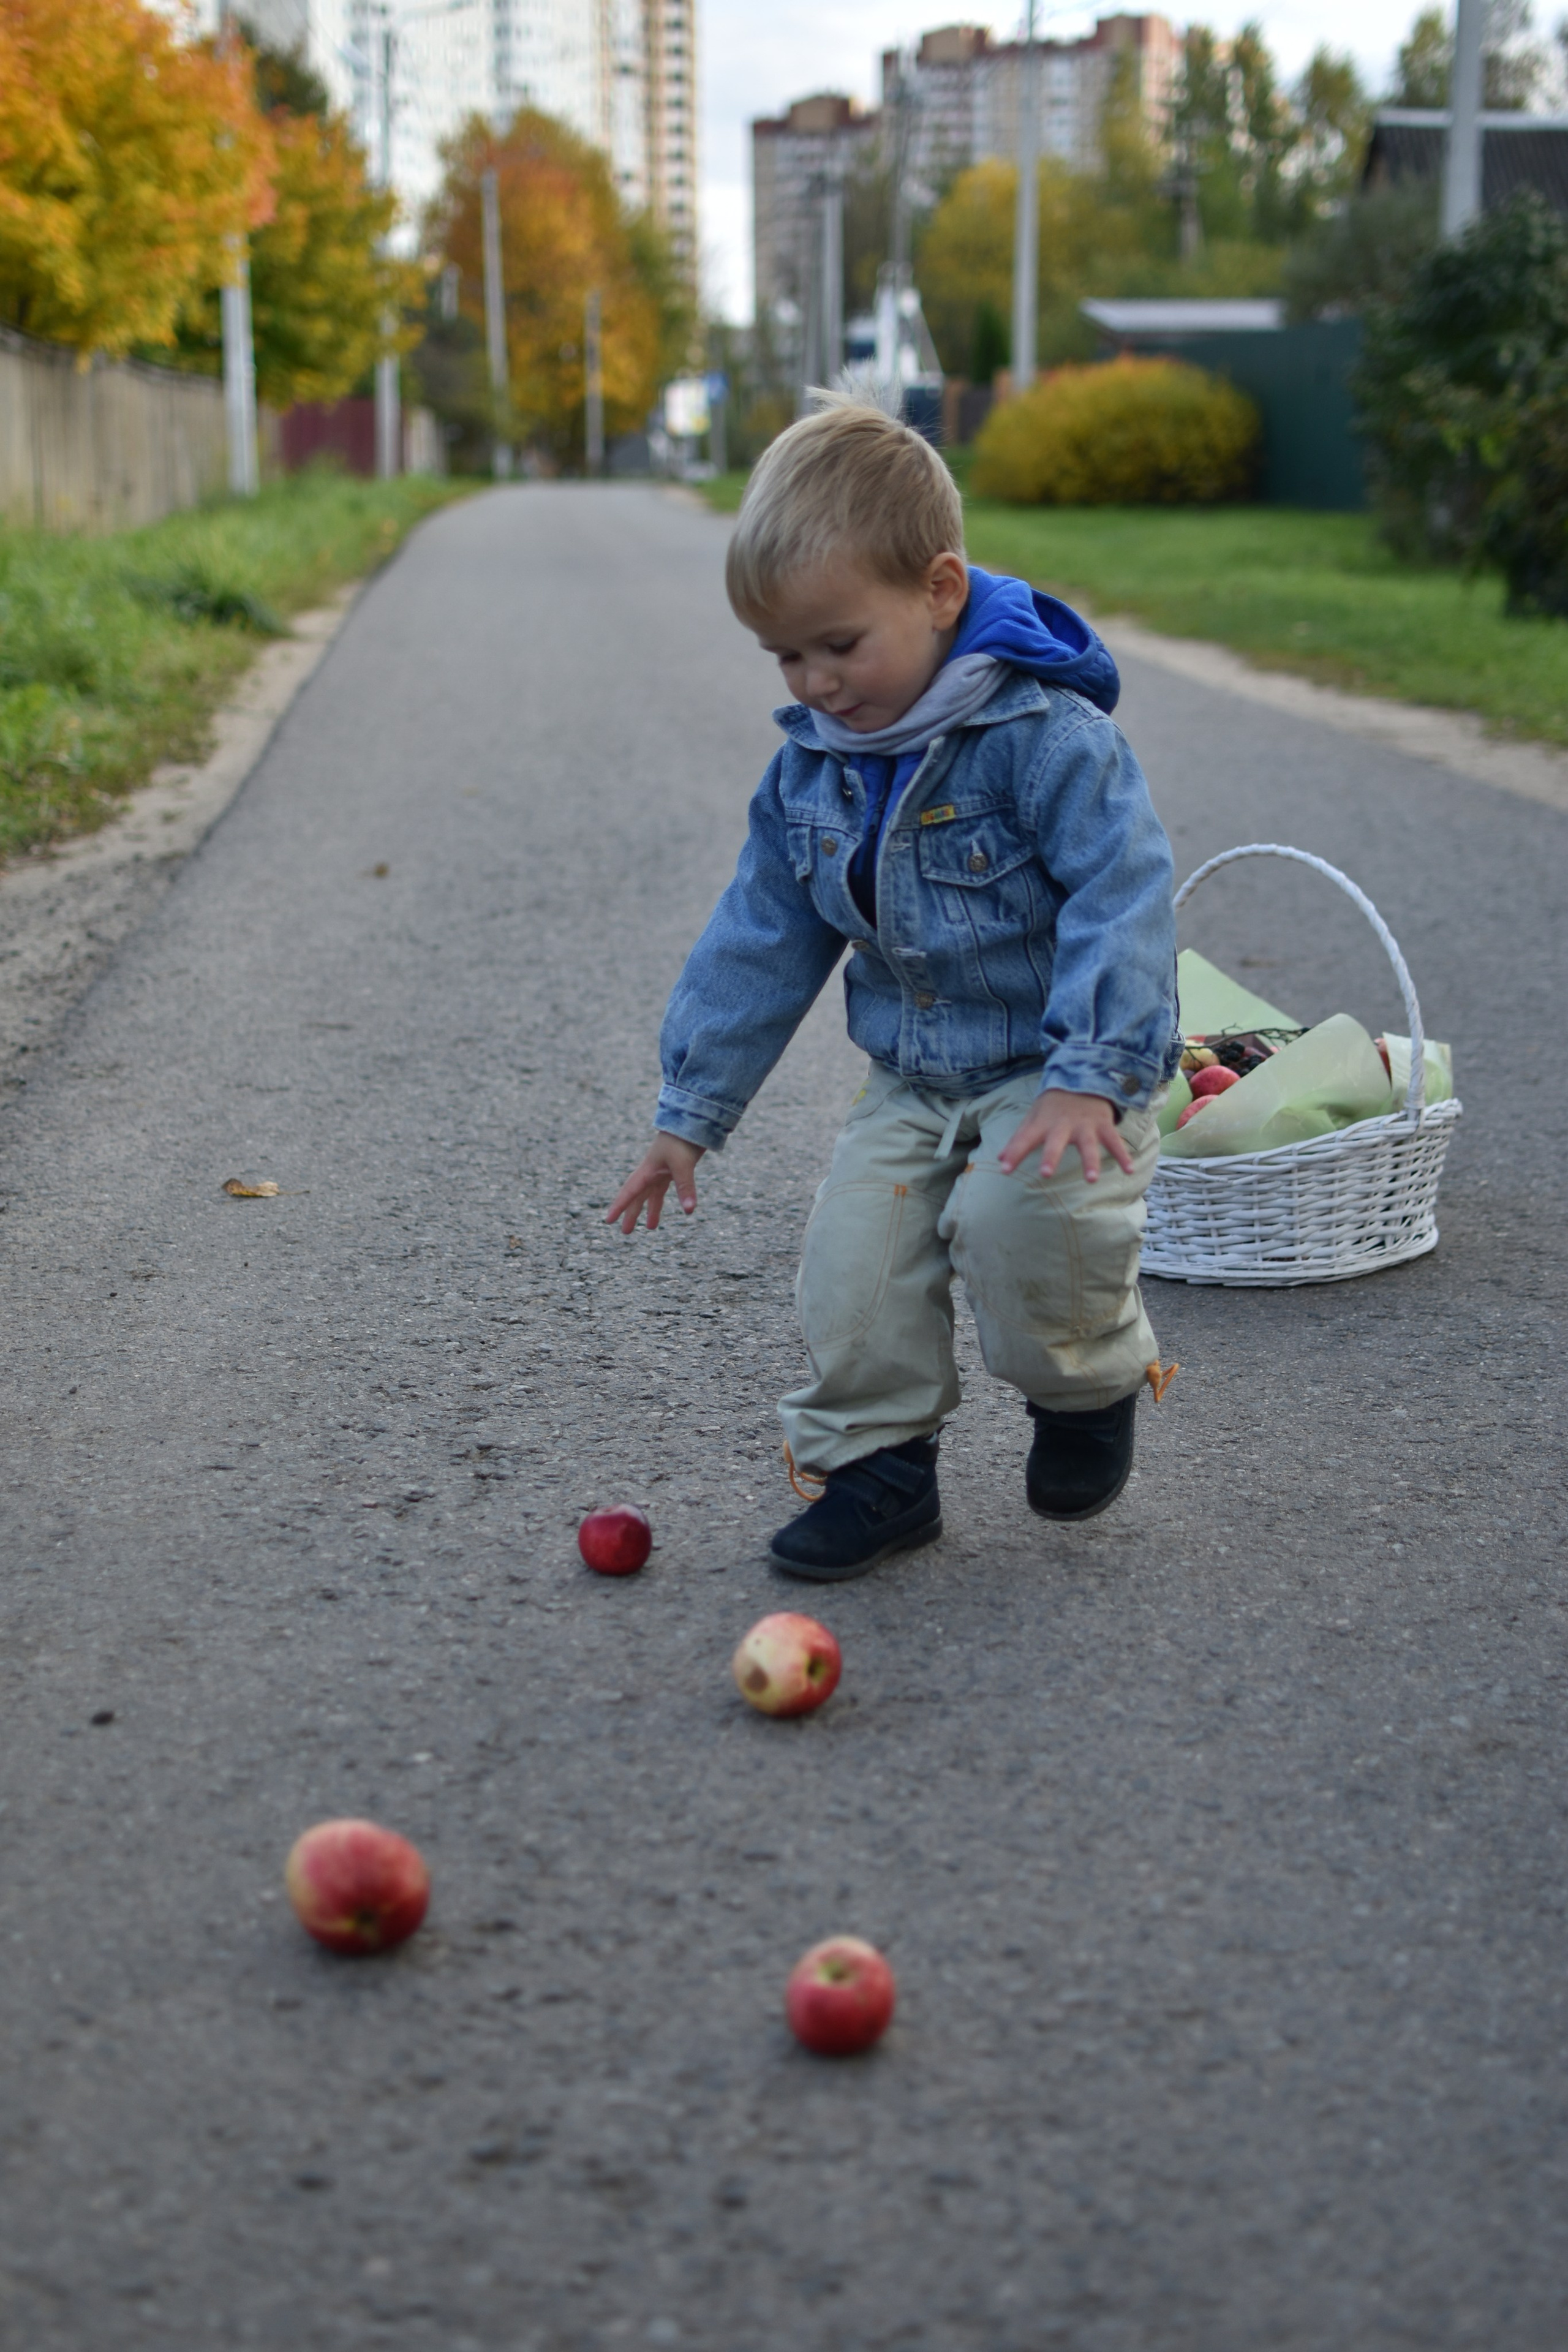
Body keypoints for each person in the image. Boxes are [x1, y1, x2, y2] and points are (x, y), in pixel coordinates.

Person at [606, 394, 1181, 1581]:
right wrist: (689, 1113)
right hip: (913, 1080)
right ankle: (879, 1475)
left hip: (1055, 1070)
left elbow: (1121, 895)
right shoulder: (812, 770)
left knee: (1021, 1228)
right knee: (852, 1273)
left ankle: (1085, 1389)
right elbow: (760, 936)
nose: (815, 683)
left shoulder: (1046, 739)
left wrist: (1092, 1073)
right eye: (786, 656)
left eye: (839, 644)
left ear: (939, 591)